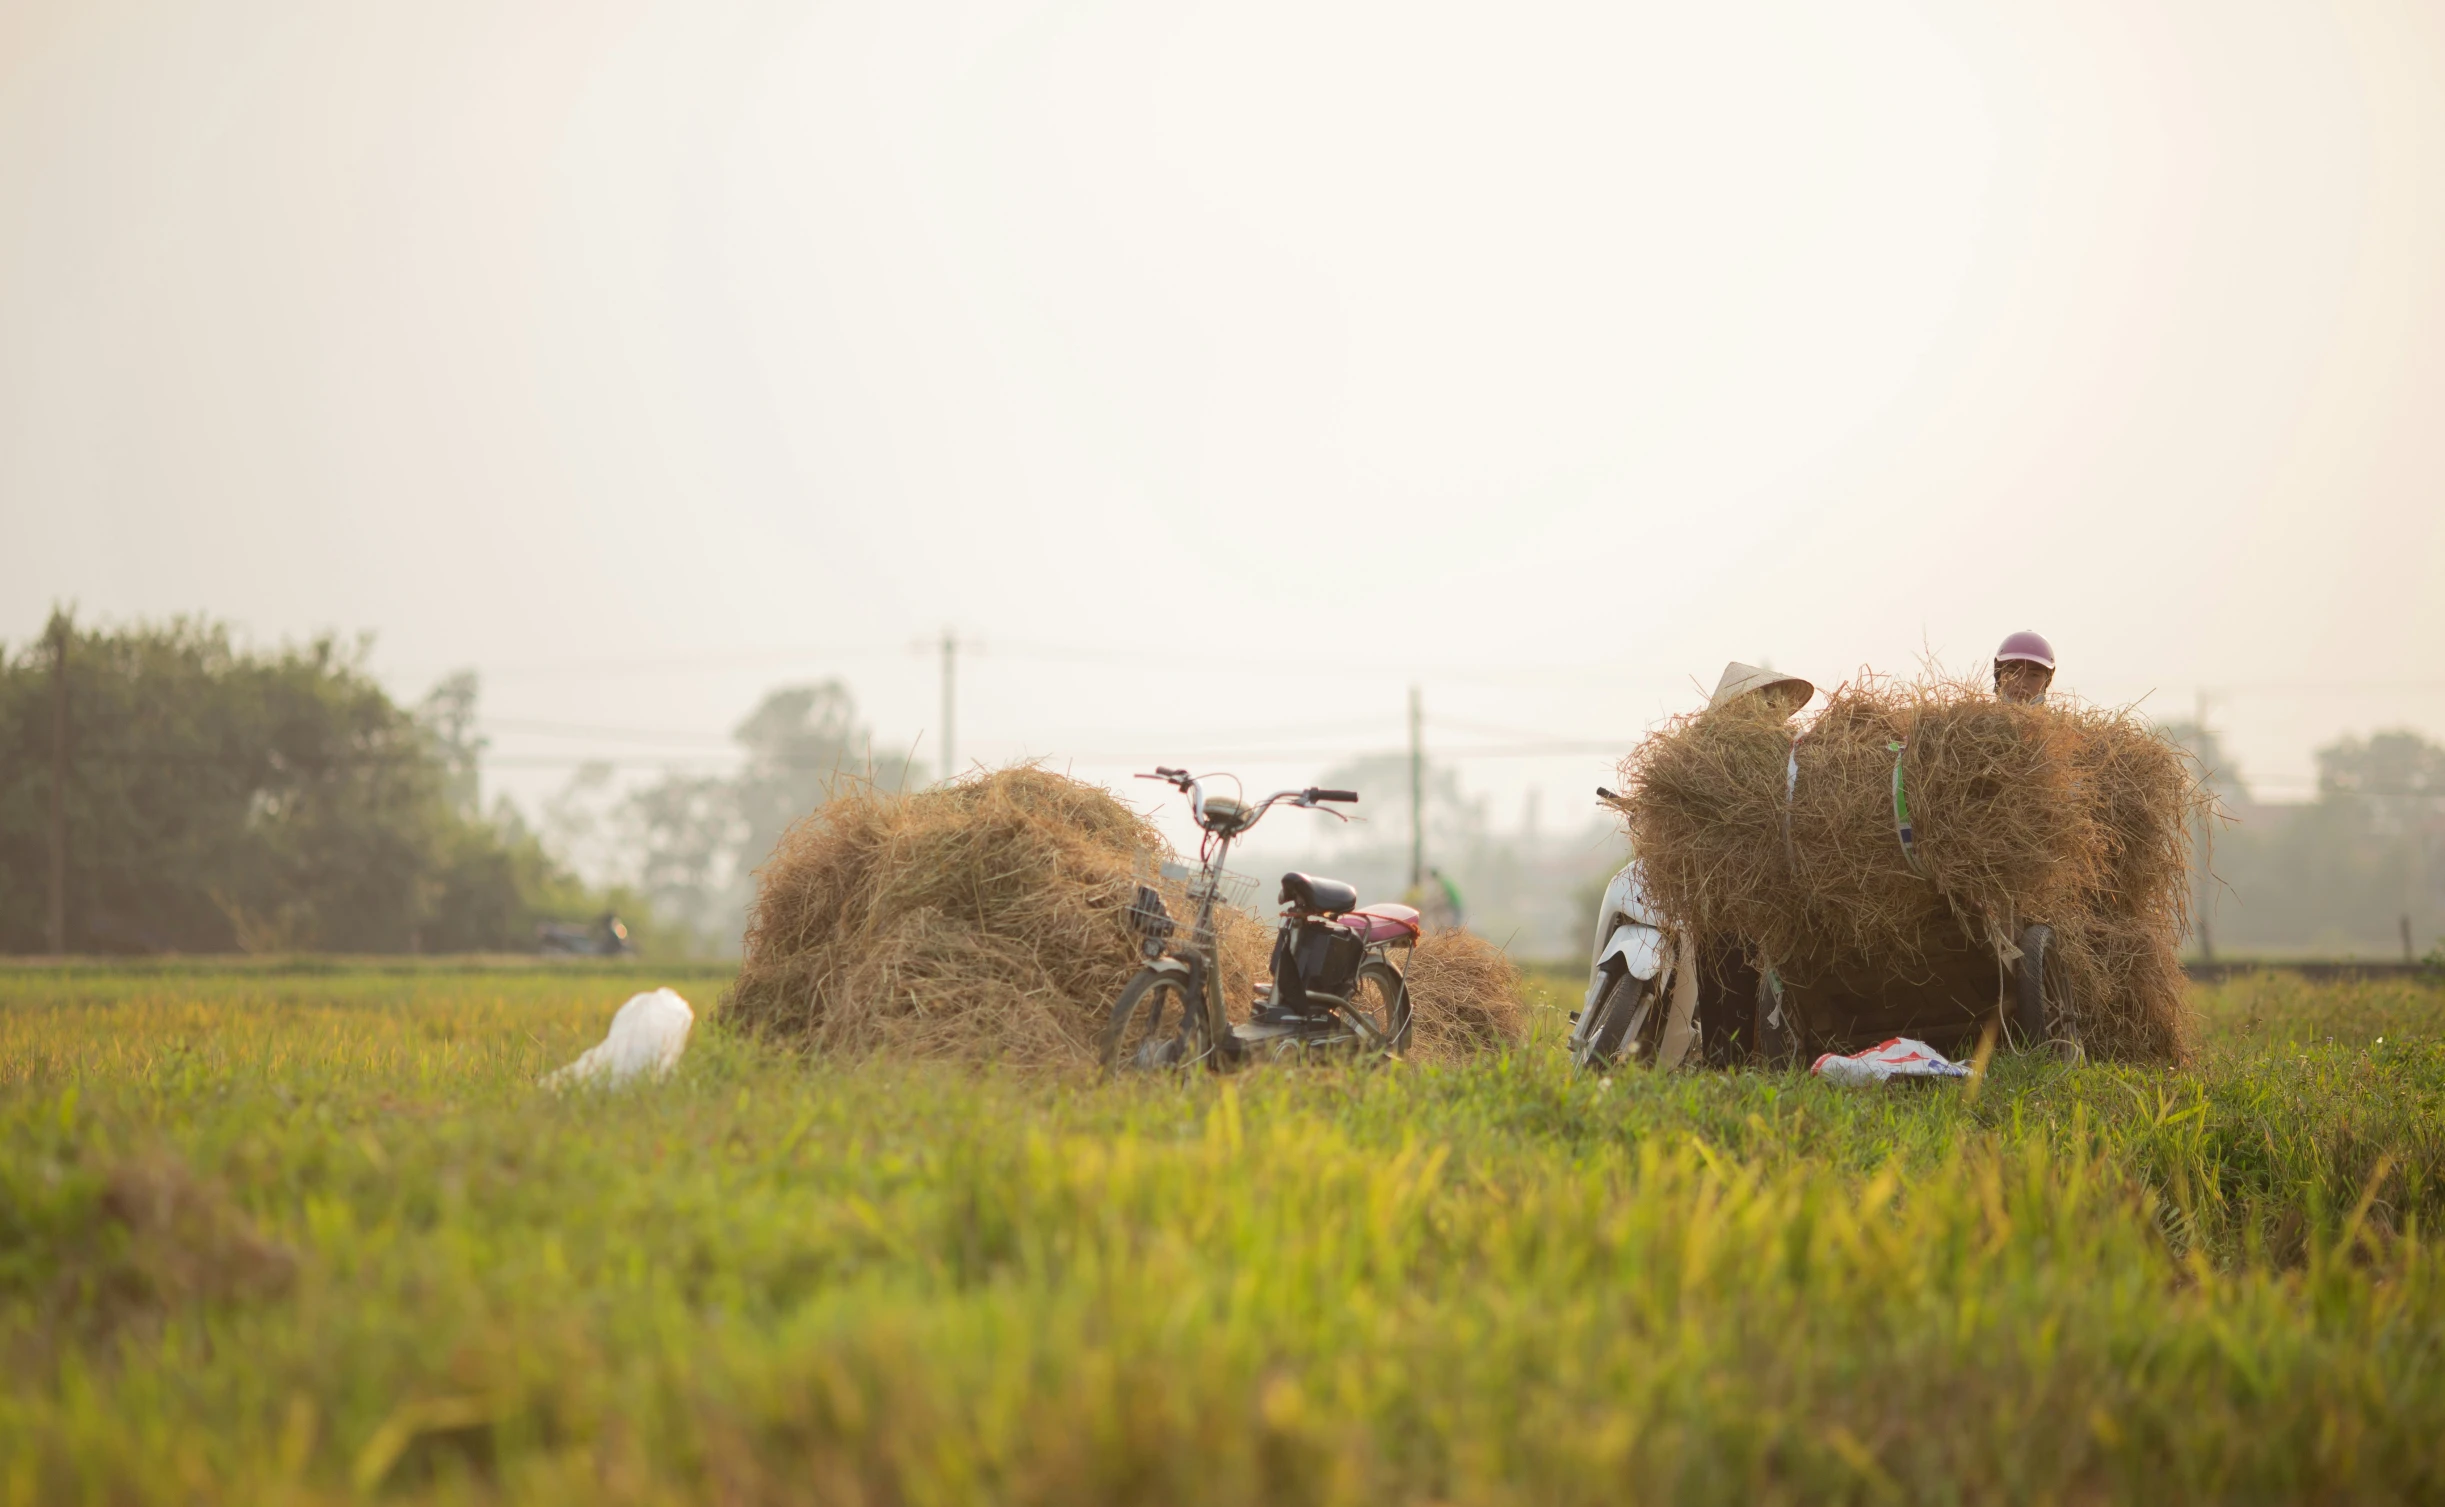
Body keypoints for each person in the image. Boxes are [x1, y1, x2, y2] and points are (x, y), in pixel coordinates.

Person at [1994, 631, 2056, 705]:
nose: (2021, 684)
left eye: (2034, 675)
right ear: (1998, 676)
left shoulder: (2052, 717)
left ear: (2047, 680)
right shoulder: (1978, 716)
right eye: (2012, 673)